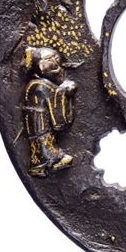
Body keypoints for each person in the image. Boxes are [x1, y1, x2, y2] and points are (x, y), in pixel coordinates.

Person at [23, 47, 76, 177]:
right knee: (45, 150)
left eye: (56, 59)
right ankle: (45, 164)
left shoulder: (35, 84)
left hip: (38, 130)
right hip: (41, 131)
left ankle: (40, 166)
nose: (59, 68)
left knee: (39, 147)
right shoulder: (42, 86)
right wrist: (66, 91)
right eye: (50, 60)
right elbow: (60, 122)